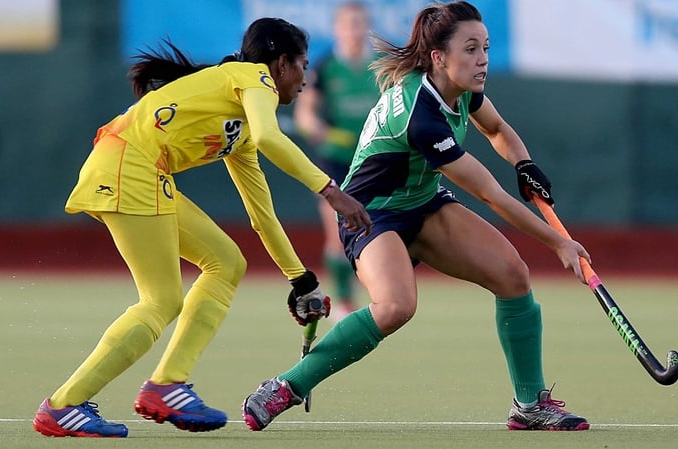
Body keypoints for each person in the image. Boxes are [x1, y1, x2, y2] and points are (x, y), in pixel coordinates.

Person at [241, 1, 592, 432]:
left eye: (485, 47)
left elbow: (497, 130)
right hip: (371, 213)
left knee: (512, 276)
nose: (482, 59)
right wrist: (559, 242)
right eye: (470, 49)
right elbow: (490, 195)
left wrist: (525, 164)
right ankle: (284, 387)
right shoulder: (422, 116)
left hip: (423, 203)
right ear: (439, 58)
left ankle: (530, 404)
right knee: (395, 306)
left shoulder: (462, 88)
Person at [32, 17, 371, 438]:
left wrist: (301, 280)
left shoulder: (242, 125)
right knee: (160, 301)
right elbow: (271, 137)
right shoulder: (253, 79)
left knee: (226, 261)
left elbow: (261, 213)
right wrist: (331, 191)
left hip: (135, 168)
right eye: (302, 64)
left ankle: (166, 384)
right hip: (129, 165)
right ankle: (67, 404)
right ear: (281, 64)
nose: (305, 78)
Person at [293, 1, 379, 320]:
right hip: (336, 162)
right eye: (349, 24)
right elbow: (305, 112)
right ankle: (344, 303)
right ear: (337, 29)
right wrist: (315, 128)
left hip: (375, 160)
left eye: (360, 24)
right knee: (337, 231)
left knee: (380, 228)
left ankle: (383, 294)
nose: (355, 30)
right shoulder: (325, 67)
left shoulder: (381, 65)